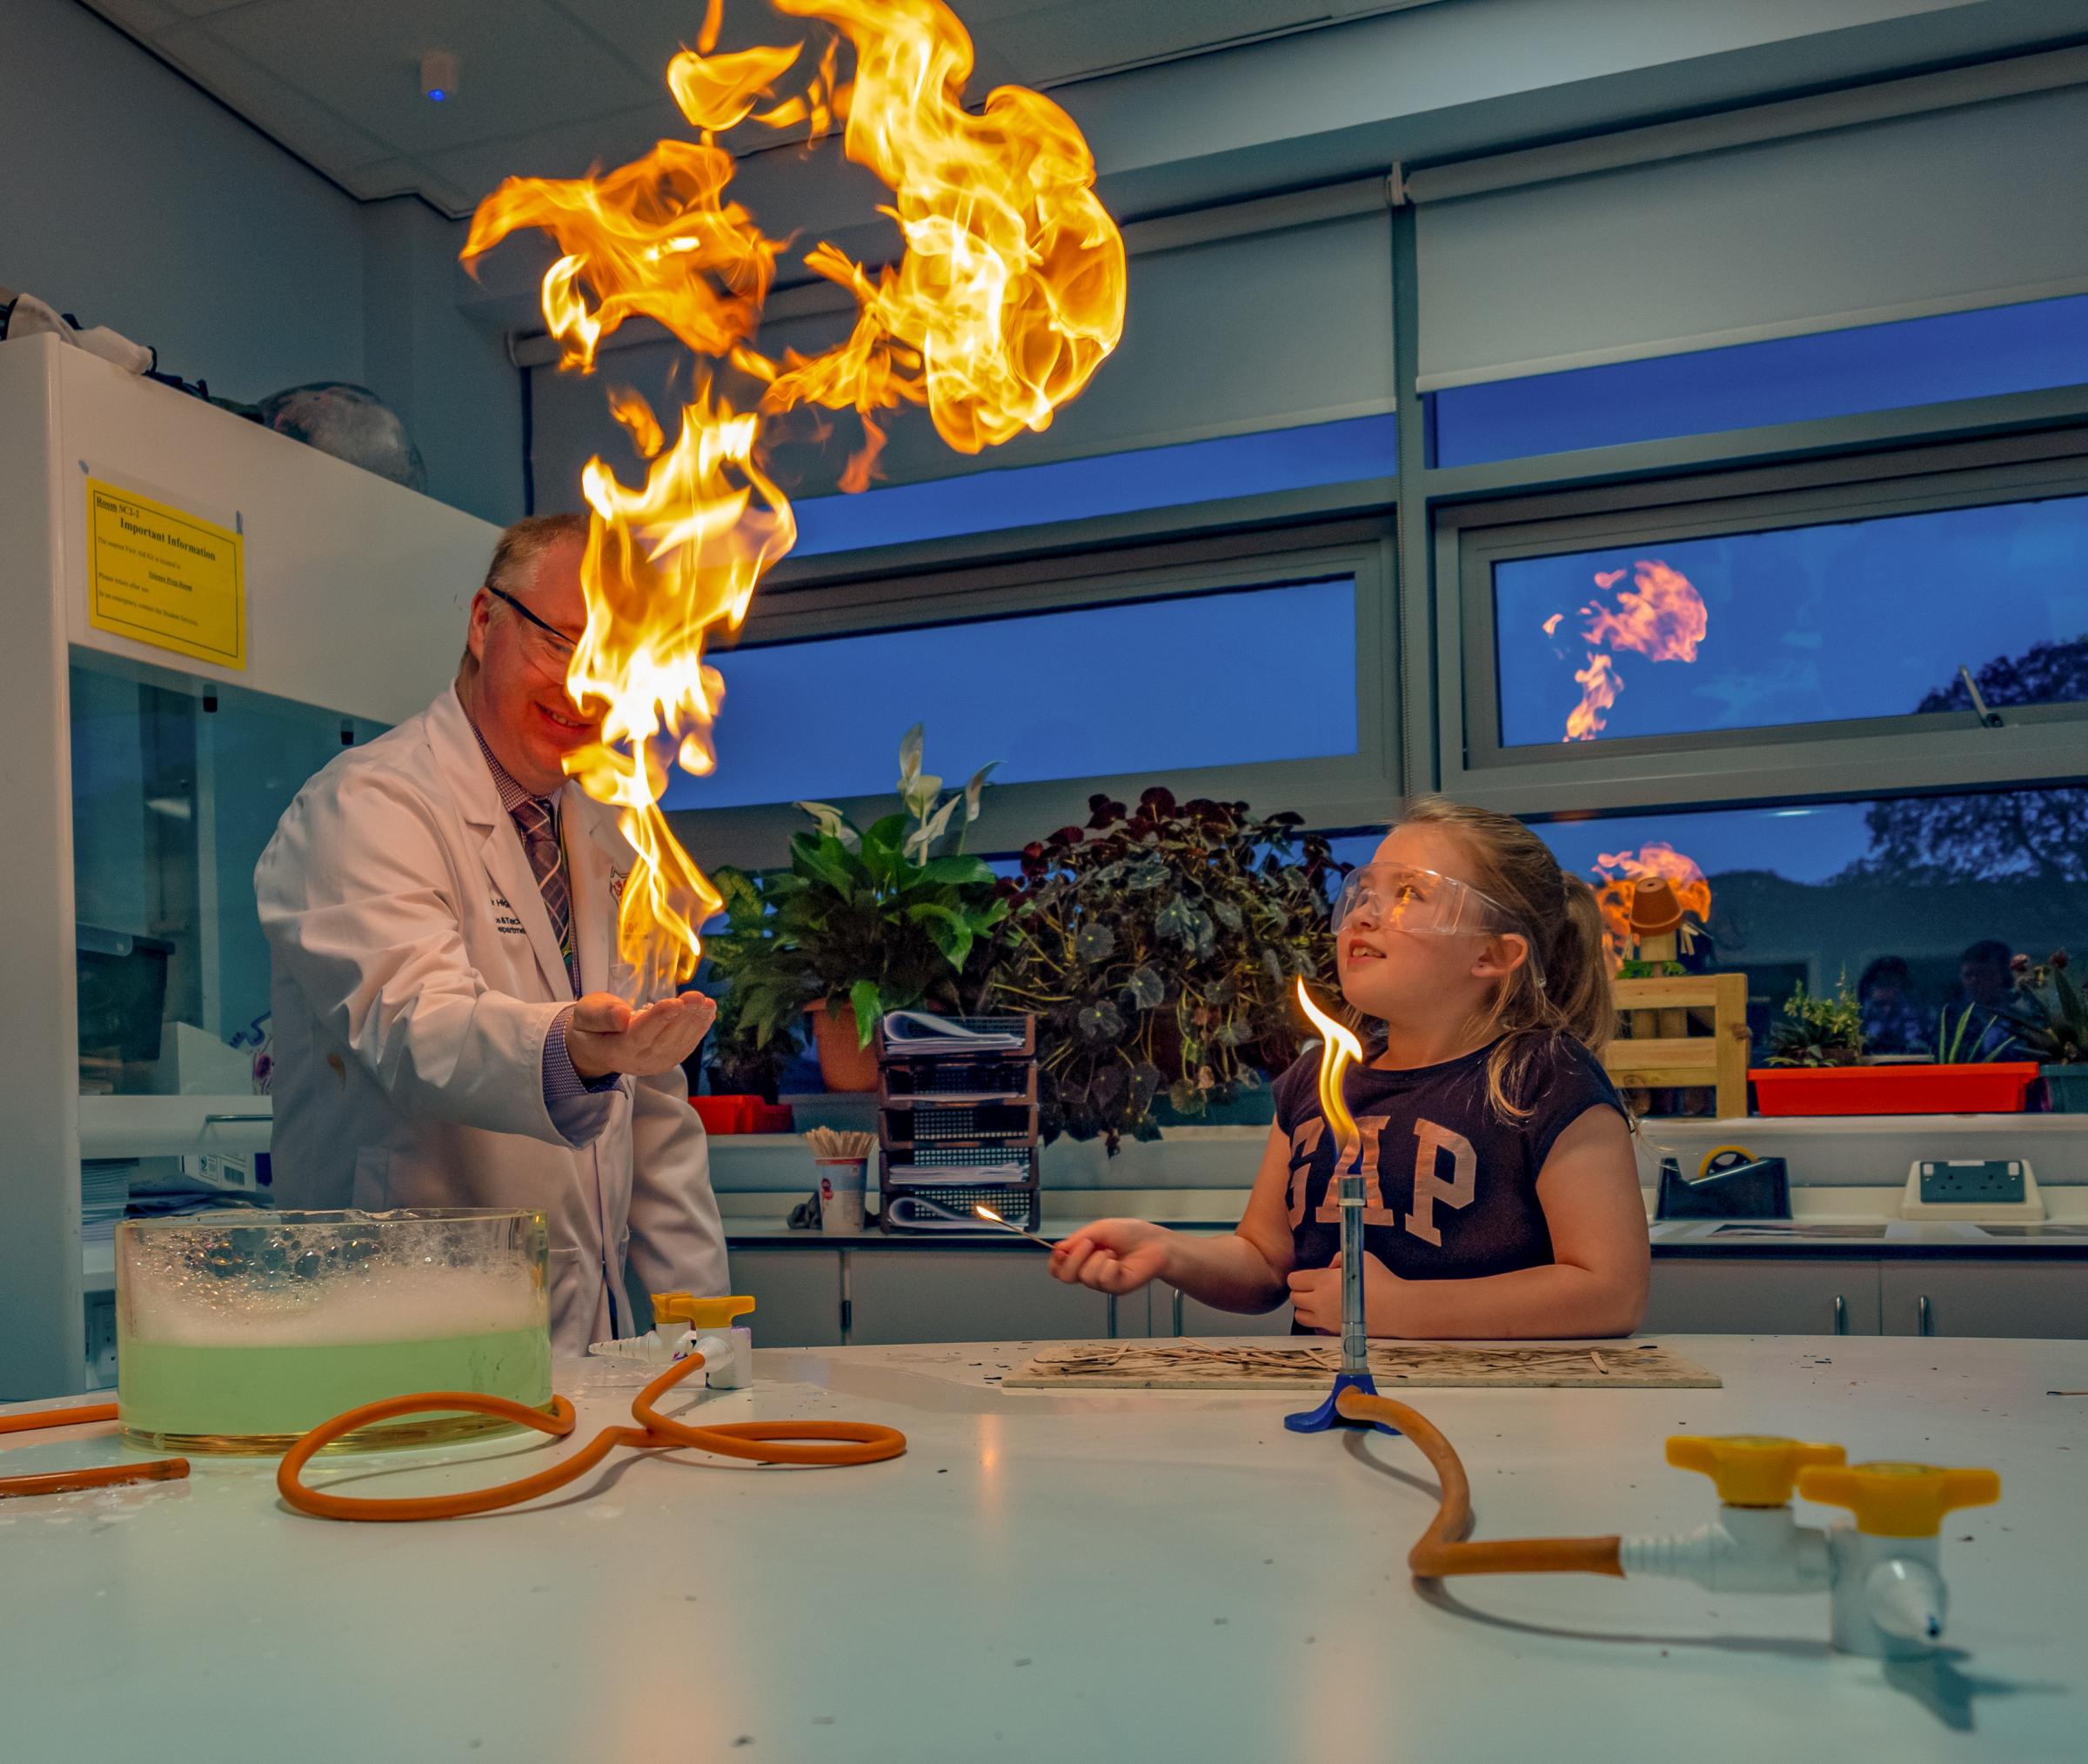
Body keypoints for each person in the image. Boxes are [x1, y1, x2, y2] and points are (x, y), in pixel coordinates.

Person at [257, 512, 726, 1355]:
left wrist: (707, 1340)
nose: (588, 690)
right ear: (484, 622)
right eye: (562, 643)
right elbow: (414, 1027)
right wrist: (576, 1050)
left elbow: (653, 1113)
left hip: (587, 1342)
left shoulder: (612, 838)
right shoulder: (366, 807)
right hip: (401, 1333)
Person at [1049, 798, 1649, 1339]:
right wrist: (1167, 1251)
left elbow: (1609, 1292)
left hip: (1496, 1427)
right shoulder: (1316, 1082)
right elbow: (1264, 1264)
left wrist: (1401, 1309)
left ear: (1493, 954)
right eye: (1365, 893)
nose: (1365, 915)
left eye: (1411, 894)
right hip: (1328, 1423)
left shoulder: (1543, 1078)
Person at [1857, 955, 1930, 1056]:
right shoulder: (1860, 1019)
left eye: (1892, 983)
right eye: (1880, 1005)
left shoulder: (1920, 1020)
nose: (1887, 1010)